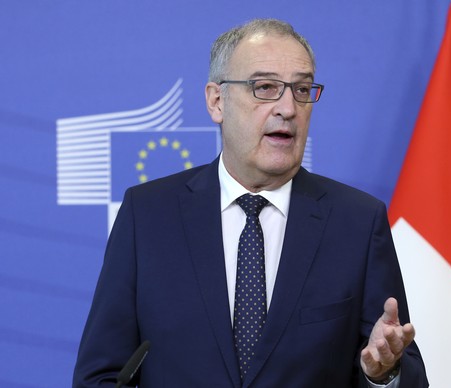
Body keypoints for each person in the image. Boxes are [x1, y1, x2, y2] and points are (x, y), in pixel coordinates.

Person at [72, 18, 429, 387]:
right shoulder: (146, 216)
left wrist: (382, 374)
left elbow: (409, 374)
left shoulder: (356, 222)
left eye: (302, 89)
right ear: (216, 101)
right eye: (265, 88)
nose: (288, 108)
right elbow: (100, 375)